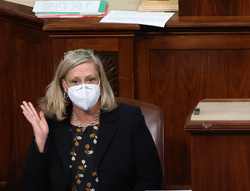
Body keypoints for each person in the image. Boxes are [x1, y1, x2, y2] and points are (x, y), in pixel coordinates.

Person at [20, 49, 163, 191]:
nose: (83, 86)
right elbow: (32, 186)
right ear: (65, 86)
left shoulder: (129, 118)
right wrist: (40, 141)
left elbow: (150, 180)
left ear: (100, 82)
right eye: (75, 81)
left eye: (90, 79)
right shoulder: (52, 124)